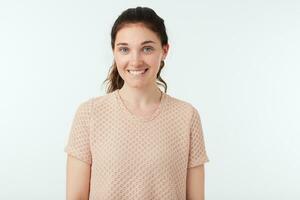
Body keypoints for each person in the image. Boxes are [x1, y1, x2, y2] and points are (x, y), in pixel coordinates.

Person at [64, 6, 209, 200]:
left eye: (147, 48)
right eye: (124, 49)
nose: (135, 60)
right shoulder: (89, 114)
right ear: (114, 52)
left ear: (164, 51)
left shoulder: (187, 116)